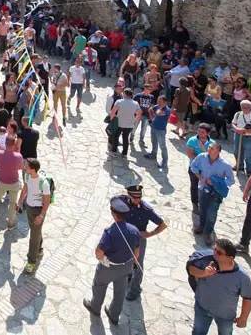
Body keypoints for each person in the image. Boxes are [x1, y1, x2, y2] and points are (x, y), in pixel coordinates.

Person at [82, 197, 141, 328]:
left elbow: (99, 252)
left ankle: (95, 308)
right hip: (126, 267)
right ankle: (114, 315)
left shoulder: (110, 232)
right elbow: (137, 252)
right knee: (120, 292)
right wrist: (131, 264)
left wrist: (102, 260)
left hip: (108, 268)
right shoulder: (135, 230)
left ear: (113, 213)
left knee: (99, 286)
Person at [187, 238, 251, 335]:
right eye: (215, 249)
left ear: (230, 257)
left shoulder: (242, 277)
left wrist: (243, 318)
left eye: (219, 253)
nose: (215, 253)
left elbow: (247, 298)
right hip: (202, 307)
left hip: (225, 316)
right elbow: (191, 269)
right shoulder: (206, 260)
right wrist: (203, 273)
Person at [118, 184, 166, 302]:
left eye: (139, 197)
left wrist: (149, 234)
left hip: (138, 240)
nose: (137, 199)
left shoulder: (146, 209)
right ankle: (128, 277)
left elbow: (162, 225)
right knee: (126, 259)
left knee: (138, 265)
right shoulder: (123, 201)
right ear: (129, 195)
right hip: (125, 237)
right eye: (134, 197)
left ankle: (135, 290)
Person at [190, 143, 234, 246]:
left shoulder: (225, 165)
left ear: (218, 151)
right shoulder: (202, 157)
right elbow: (193, 166)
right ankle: (201, 226)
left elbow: (231, 180)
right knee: (203, 210)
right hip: (203, 189)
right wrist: (200, 178)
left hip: (216, 193)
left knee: (211, 214)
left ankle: (207, 233)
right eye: (209, 147)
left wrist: (217, 182)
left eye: (212, 148)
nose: (209, 149)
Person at [18, 158, 52, 273]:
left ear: (33, 169)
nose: (24, 167)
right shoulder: (27, 177)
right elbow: (25, 189)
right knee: (36, 231)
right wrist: (19, 202)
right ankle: (40, 250)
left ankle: (31, 262)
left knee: (33, 237)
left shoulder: (44, 183)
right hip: (29, 207)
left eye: (26, 166)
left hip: (38, 211)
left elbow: (46, 202)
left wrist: (41, 216)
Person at [0, 136, 24, 234]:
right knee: (12, 203)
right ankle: (10, 224)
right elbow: (20, 167)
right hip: (14, 182)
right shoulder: (18, 156)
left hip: (2, 181)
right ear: (14, 144)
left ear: (5, 143)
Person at [108, 88, 141, 157]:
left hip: (119, 123)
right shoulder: (135, 103)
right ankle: (124, 154)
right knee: (125, 138)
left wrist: (111, 120)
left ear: (125, 94)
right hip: (129, 125)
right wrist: (135, 122)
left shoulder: (119, 101)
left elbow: (113, 112)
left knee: (116, 137)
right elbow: (139, 113)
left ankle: (114, 151)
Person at [142, 95, 171, 171]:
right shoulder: (157, 106)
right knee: (154, 142)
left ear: (164, 102)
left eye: (160, 101)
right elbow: (150, 109)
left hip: (161, 130)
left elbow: (159, 113)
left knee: (162, 146)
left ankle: (164, 162)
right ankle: (153, 154)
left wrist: (160, 107)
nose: (158, 102)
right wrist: (151, 117)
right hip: (153, 127)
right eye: (158, 100)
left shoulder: (167, 110)